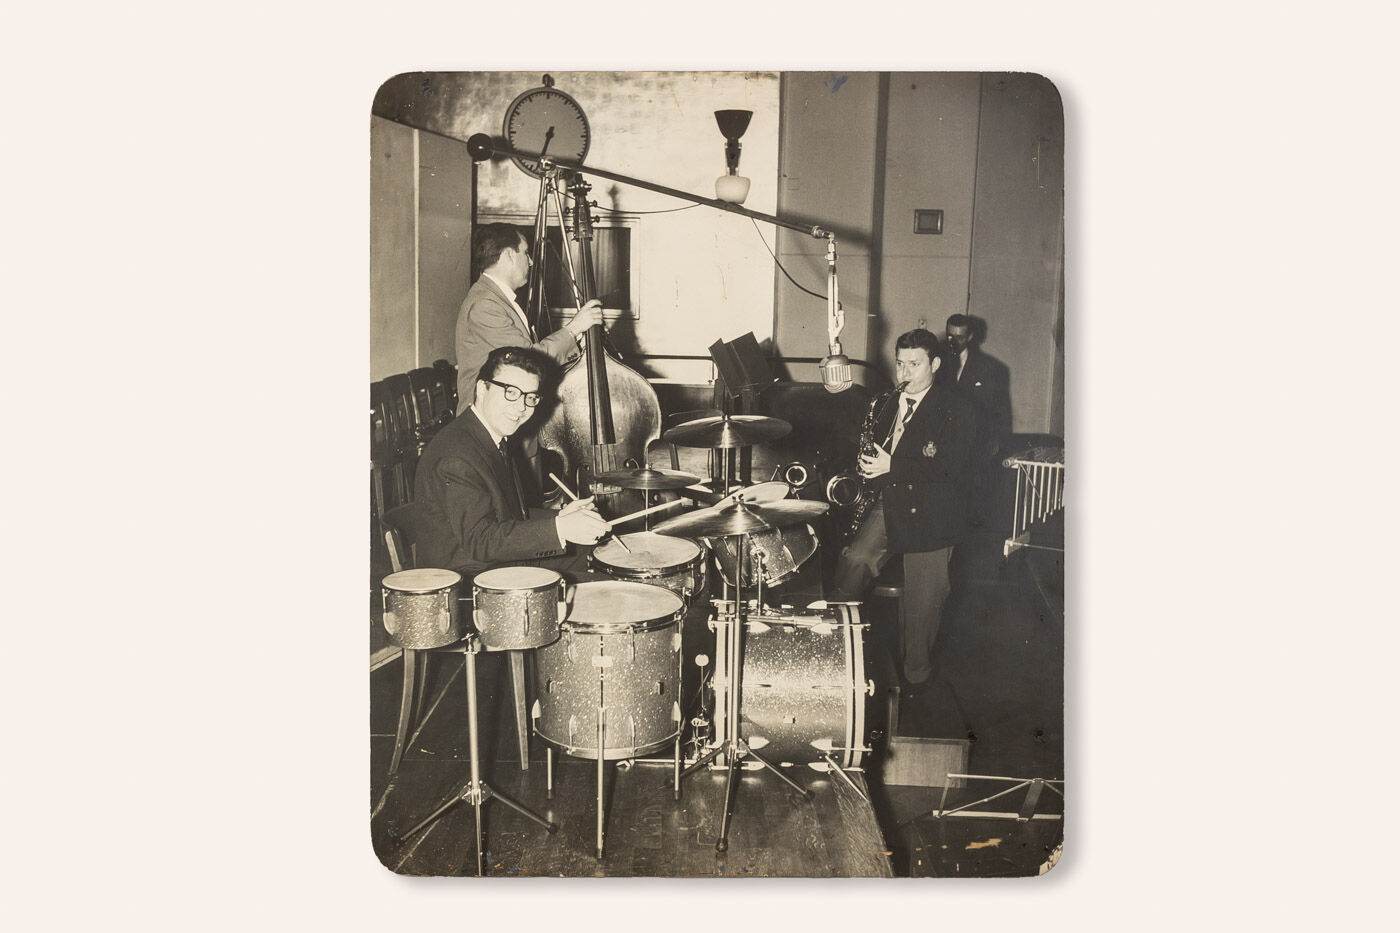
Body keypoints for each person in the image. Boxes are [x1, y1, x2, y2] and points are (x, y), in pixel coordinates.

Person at [829, 328, 976, 689]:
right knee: (854, 562)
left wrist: (893, 465)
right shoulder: (885, 402)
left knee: (923, 606)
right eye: (899, 364)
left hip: (934, 514)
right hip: (890, 501)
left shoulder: (957, 408)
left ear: (935, 364)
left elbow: (952, 468)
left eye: (915, 364)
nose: (905, 374)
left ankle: (917, 681)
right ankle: (832, 643)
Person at [415, 345, 610, 581]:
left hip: (493, 561)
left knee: (586, 550)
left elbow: (509, 515)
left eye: (530, 397)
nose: (521, 407)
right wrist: (560, 529)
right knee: (603, 584)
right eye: (510, 392)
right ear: (482, 389)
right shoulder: (456, 456)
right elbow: (480, 540)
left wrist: (561, 518)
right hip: (468, 579)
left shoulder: (489, 435)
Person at [454, 223, 605, 416]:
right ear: (509, 255)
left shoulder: (496, 298)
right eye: (526, 253)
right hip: (492, 421)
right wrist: (574, 328)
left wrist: (579, 338)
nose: (531, 262)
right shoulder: (485, 304)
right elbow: (527, 361)